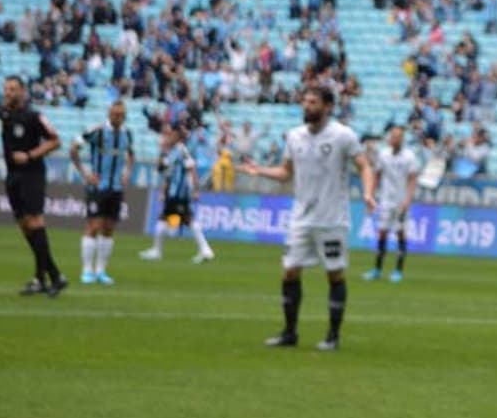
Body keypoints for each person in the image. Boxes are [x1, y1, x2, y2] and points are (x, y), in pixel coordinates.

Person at [239, 86, 375, 352]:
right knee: (290, 271)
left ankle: (332, 336)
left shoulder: (343, 136)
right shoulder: (294, 136)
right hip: (301, 218)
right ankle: (290, 333)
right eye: (305, 101)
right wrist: (260, 171)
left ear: (327, 107)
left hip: (332, 219)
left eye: (313, 102)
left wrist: (368, 193)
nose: (307, 106)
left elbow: (364, 166)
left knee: (334, 274)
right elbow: (286, 172)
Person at [0, 68, 66, 297]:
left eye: (12, 89)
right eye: (6, 89)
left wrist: (31, 155)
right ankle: (44, 277)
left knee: (35, 222)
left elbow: (55, 141)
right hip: (13, 177)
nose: (8, 93)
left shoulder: (33, 116)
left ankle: (54, 275)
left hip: (32, 174)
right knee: (24, 226)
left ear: (22, 92)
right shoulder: (4, 113)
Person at [70, 100, 135, 285]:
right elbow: (74, 148)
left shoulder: (127, 134)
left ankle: (101, 271)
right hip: (97, 188)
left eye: (121, 115)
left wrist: (127, 174)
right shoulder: (97, 131)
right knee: (93, 226)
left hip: (116, 188)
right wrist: (84, 173)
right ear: (109, 114)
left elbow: (131, 155)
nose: (118, 118)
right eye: (115, 114)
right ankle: (87, 270)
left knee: (108, 229)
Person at [141, 124, 215, 264]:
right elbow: (164, 172)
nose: (169, 137)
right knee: (178, 219)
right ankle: (204, 250)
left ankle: (158, 250)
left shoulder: (182, 151)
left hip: (180, 193)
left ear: (178, 137)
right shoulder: (172, 152)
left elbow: (192, 169)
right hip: (173, 193)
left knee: (182, 219)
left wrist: (195, 190)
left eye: (171, 135)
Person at [363, 124, 419, 283]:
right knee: (382, 232)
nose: (394, 139)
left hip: (401, 202)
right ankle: (377, 269)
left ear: (402, 139)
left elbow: (413, 179)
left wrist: (408, 199)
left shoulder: (409, 156)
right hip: (386, 200)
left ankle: (398, 270)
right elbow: (377, 176)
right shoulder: (384, 154)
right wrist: (371, 195)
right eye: (392, 136)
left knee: (401, 233)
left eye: (397, 136)